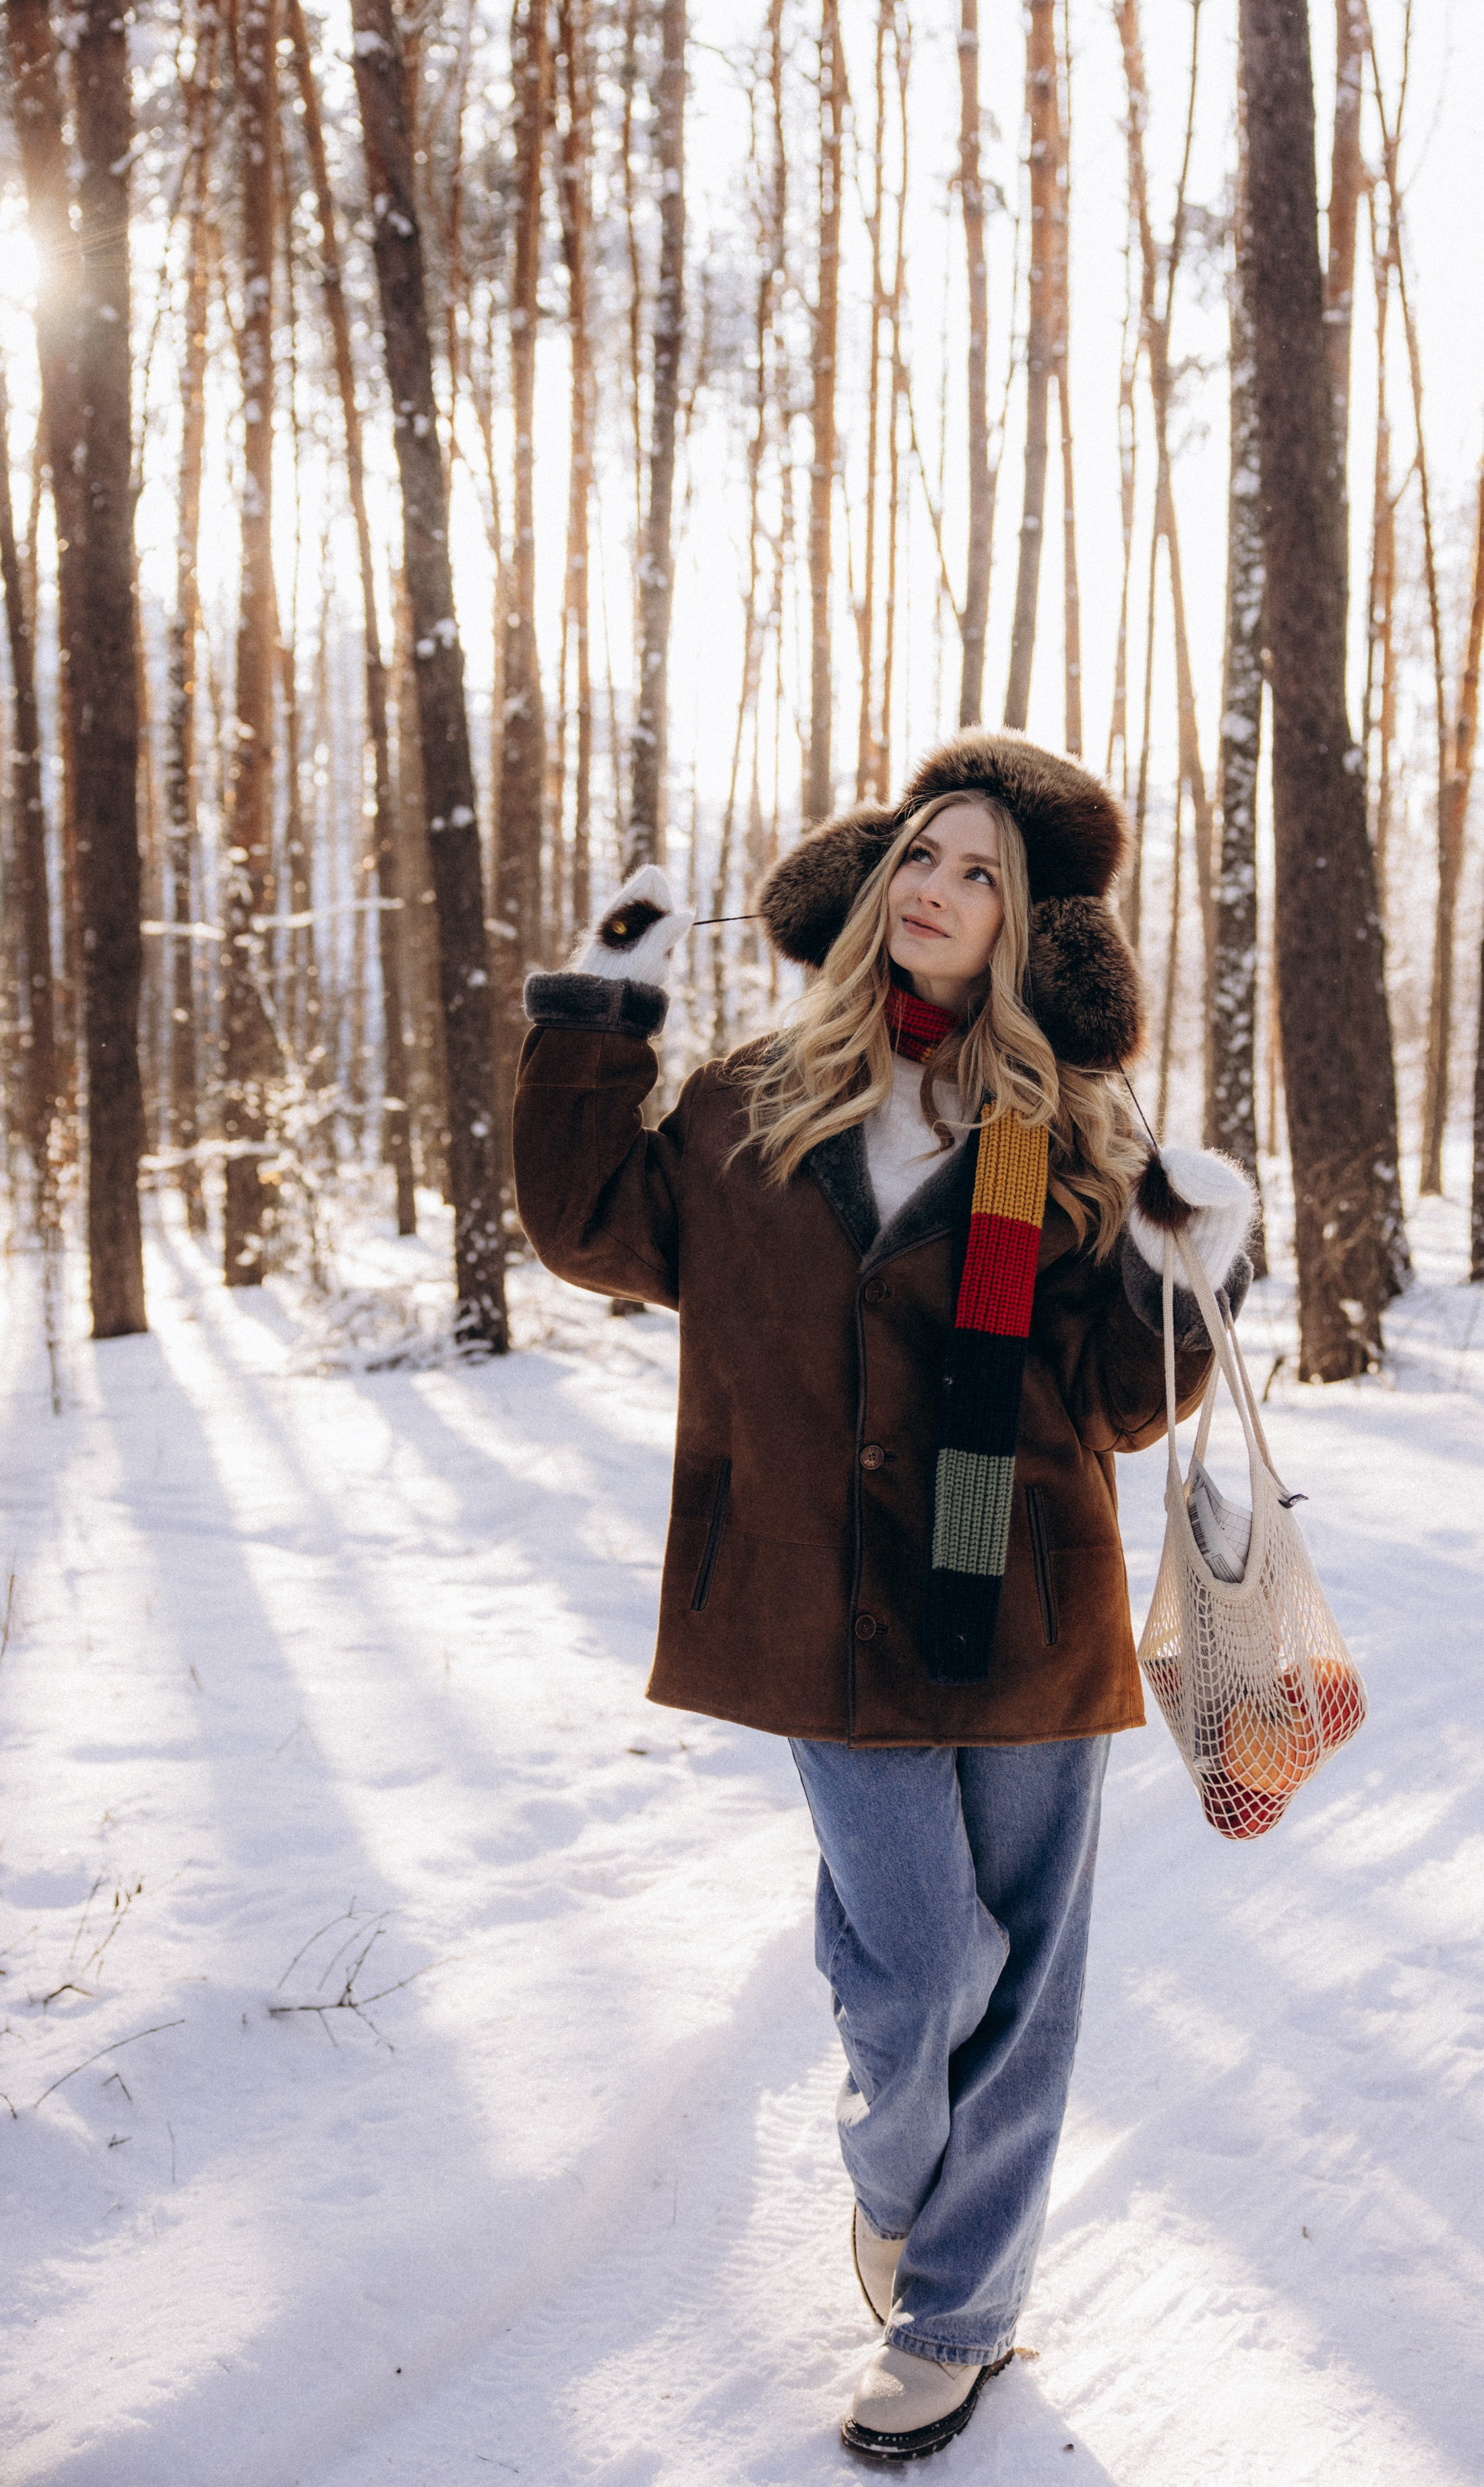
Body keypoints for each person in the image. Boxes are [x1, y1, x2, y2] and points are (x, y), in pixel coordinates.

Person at [514, 731, 1254, 2462]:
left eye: (981, 870)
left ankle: (958, 2311)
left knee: (1028, 1977)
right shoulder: (753, 1102)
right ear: (871, 881)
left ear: (1022, 929)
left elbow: (1125, 1401)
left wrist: (1186, 1258)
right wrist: (595, 1012)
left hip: (1014, 1596)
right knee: (918, 1966)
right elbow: (580, 1221)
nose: (937, 886)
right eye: (922, 853)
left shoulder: (1051, 1138)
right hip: (805, 1599)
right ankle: (900, 2182)